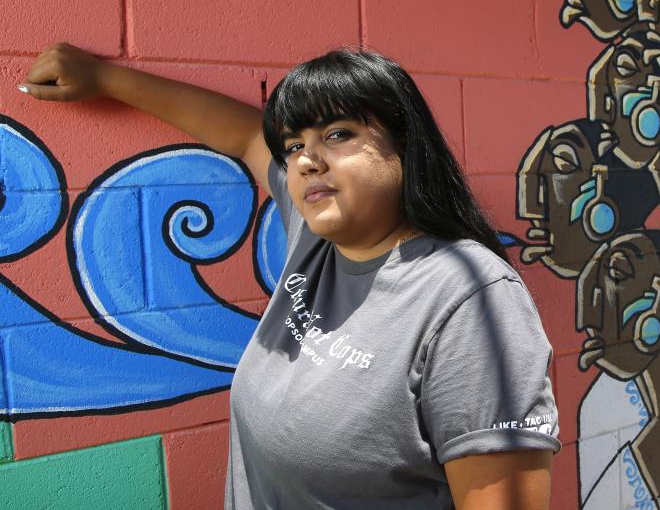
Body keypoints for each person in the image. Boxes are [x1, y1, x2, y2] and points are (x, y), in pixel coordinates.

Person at [20, 42, 561, 510]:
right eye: (296, 145)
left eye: (339, 134)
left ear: (404, 146)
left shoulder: (468, 296)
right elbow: (243, 135)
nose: (306, 161)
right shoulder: (315, 239)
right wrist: (106, 79)